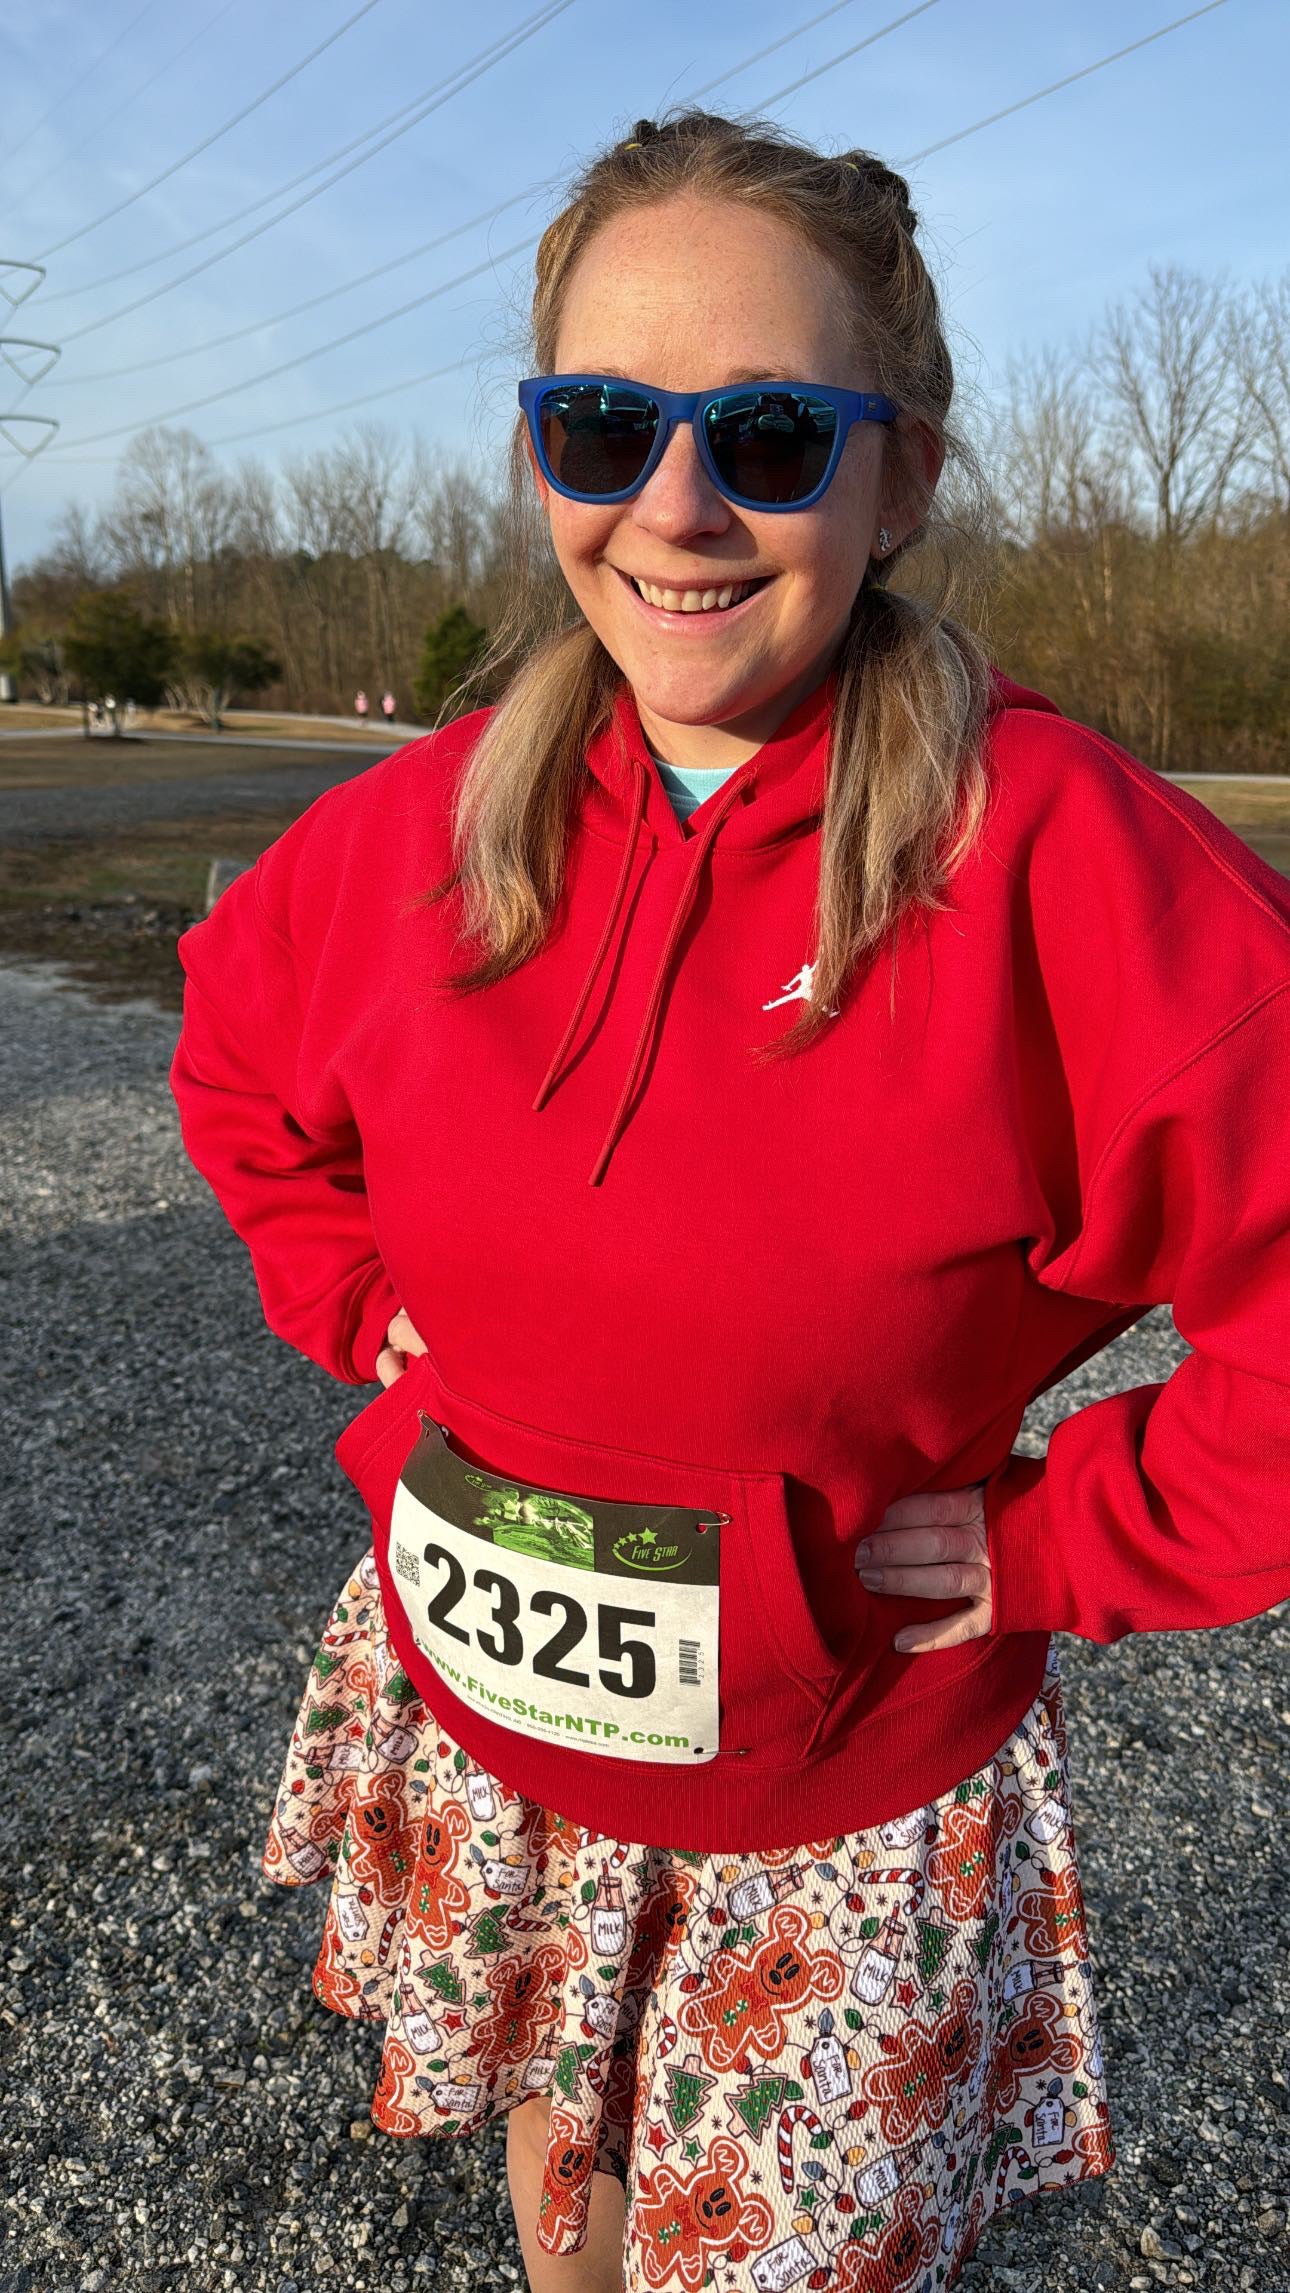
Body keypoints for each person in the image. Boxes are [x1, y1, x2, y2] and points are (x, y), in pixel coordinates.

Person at [168, 108, 1290, 2293]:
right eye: (602, 423)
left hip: (835, 1802)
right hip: (494, 1733)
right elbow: (228, 1052)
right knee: (561, 2204)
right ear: (538, 457)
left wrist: (1076, 1533)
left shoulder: (1064, 855)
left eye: (771, 433)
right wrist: (344, 1283)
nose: (676, 507)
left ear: (904, 476)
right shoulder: (417, 830)